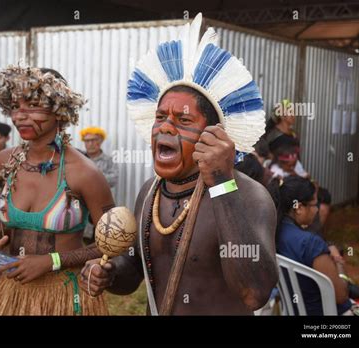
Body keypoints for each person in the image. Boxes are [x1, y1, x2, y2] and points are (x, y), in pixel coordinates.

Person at [79, 14, 278, 315]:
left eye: (183, 120)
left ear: (215, 135)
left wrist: (222, 182)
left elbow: (254, 294)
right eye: (161, 117)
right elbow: (133, 272)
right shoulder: (150, 193)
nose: (166, 128)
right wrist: (109, 273)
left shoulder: (249, 195)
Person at [0, 65, 114, 315]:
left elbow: (113, 244)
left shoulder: (84, 173)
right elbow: (0, 226)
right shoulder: (5, 162)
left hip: (64, 295)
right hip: (11, 294)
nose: (20, 116)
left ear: (59, 110)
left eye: (32, 106)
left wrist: (52, 261)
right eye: (16, 106)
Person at [267, 176, 352, 315]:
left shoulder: (273, 234)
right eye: (314, 205)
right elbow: (341, 296)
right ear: (299, 208)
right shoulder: (311, 244)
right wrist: (339, 264)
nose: (317, 210)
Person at [80, 126, 118, 245]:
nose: (90, 144)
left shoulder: (108, 161)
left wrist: (90, 181)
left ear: (100, 141)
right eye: (87, 141)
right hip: (80, 206)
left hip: (100, 204)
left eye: (94, 140)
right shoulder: (79, 159)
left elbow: (114, 178)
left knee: (101, 237)